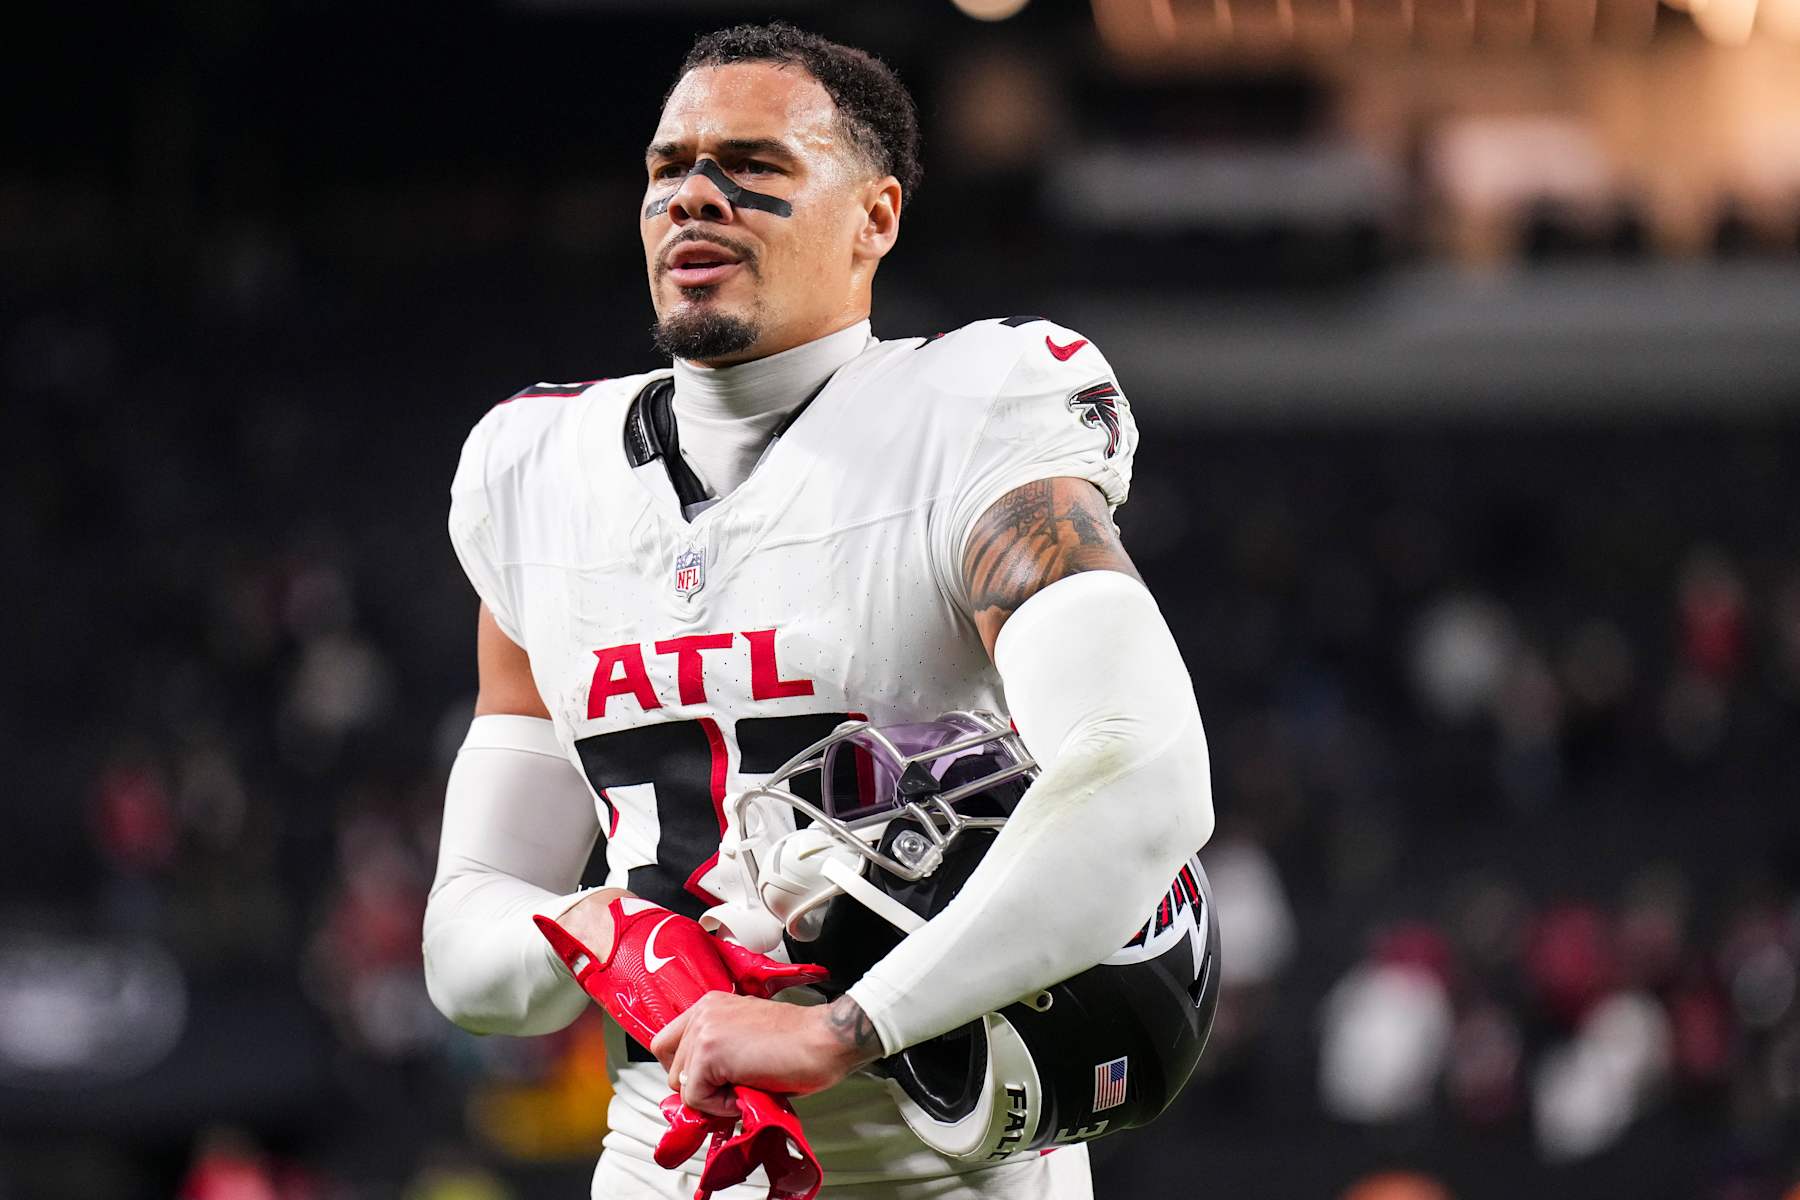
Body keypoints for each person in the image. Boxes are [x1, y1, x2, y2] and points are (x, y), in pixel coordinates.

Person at [423, 22, 1214, 1200]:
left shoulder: (973, 419)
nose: (696, 196)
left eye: (754, 166)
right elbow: (464, 945)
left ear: (876, 218)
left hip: (951, 1165)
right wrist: (611, 936)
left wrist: (846, 1027)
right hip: (665, 1159)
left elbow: (1145, 771)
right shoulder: (537, 471)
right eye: (668, 168)